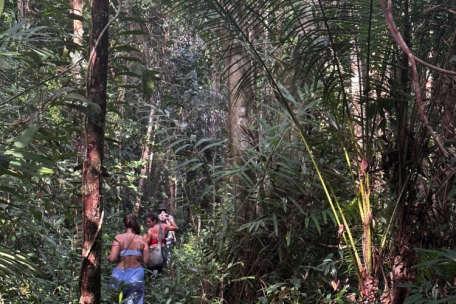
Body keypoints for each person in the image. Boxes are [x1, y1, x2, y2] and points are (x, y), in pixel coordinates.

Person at [107, 214, 150, 304]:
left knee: (116, 300)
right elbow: (146, 260)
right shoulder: (142, 240)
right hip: (136, 275)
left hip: (119, 275)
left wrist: (108, 257)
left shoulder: (118, 237)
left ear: (124, 225)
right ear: (135, 224)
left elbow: (112, 258)